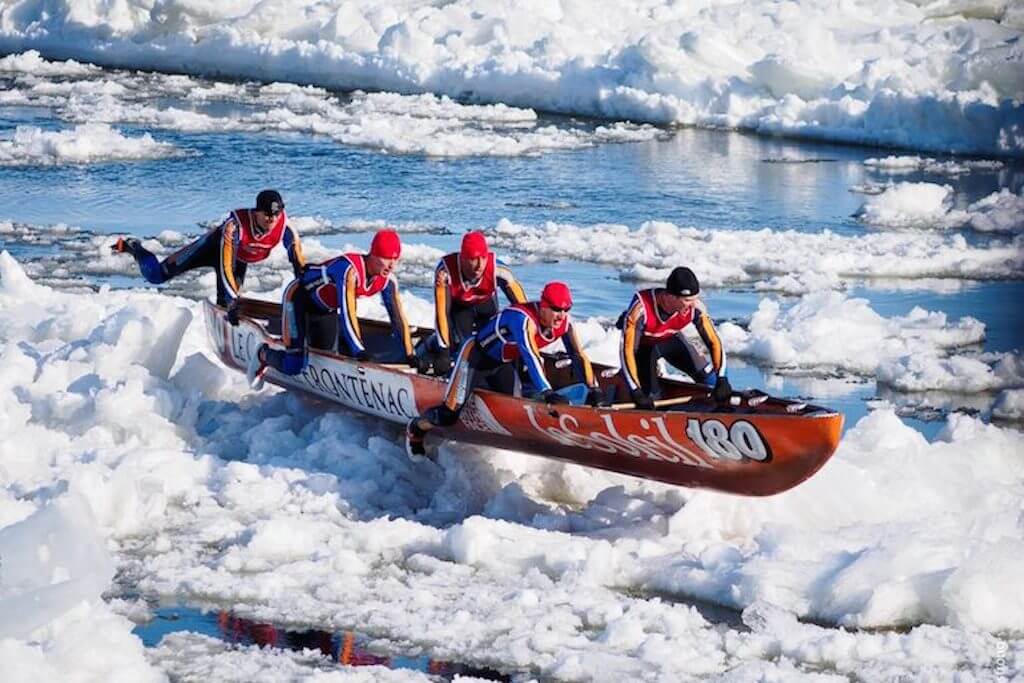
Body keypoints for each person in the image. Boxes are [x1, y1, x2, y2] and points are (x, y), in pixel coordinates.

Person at [406, 281, 601, 457]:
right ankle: (416, 428)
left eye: (566, 310)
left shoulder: (565, 324)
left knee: (512, 412)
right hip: (475, 358)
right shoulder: (522, 320)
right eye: (557, 309)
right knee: (448, 415)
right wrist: (547, 392)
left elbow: (578, 355)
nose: (562, 316)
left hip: (501, 363)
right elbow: (530, 354)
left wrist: (593, 387)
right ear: (543, 306)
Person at [246, 229, 416, 388]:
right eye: (387, 258)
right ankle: (263, 353)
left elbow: (398, 317)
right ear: (373, 254)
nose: (392, 265)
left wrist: (410, 354)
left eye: (396, 259)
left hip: (324, 310)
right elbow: (347, 312)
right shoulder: (350, 271)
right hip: (297, 299)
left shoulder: (388, 280)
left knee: (326, 362)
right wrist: (360, 351)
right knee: (294, 365)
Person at [111, 189, 304, 312]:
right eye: (267, 215)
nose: (272, 220)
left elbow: (299, 266)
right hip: (212, 249)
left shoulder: (285, 228)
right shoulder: (235, 227)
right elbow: (225, 264)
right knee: (156, 275)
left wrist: (303, 297)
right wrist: (234, 300)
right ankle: (134, 246)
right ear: (256, 213)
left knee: (228, 304)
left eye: (276, 215)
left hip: (239, 257)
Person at [617, 266, 731, 409]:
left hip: (671, 341)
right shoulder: (640, 310)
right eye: (687, 300)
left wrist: (722, 378)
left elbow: (714, 341)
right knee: (650, 397)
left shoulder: (696, 307)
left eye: (695, 298)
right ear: (670, 296)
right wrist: (636, 391)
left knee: (710, 377)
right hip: (644, 349)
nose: (693, 304)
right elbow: (627, 351)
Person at [426, 230, 527, 374]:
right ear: (462, 258)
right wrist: (444, 353)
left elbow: (524, 311)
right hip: (460, 307)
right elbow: (442, 314)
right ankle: (431, 345)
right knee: (463, 347)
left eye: (483, 258)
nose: (480, 265)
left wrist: (527, 347)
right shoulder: (445, 272)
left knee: (491, 346)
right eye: (473, 259)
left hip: (486, 305)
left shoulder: (501, 271)